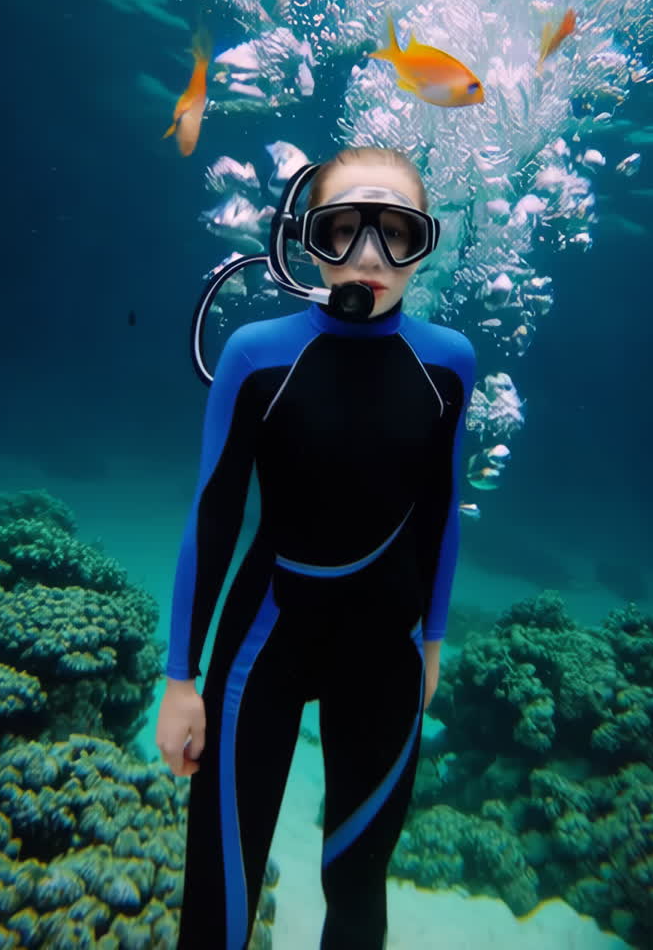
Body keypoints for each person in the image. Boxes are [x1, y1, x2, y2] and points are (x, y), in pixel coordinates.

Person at [156, 144, 477, 950]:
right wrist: (179, 678)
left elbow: (442, 511)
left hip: (388, 650)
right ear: (305, 239)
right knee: (221, 888)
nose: (369, 258)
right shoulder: (255, 353)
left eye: (397, 234)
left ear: (425, 245)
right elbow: (214, 514)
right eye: (341, 230)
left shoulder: (450, 364)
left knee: (359, 883)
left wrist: (432, 642)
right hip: (263, 642)